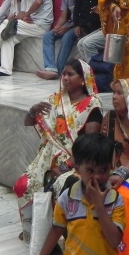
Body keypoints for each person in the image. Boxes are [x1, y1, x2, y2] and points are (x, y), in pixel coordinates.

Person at [14, 59, 102, 244]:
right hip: (48, 158)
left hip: (77, 161)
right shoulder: (56, 100)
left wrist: (66, 165)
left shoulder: (91, 104)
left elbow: (90, 143)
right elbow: (28, 122)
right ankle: (34, 231)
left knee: (59, 186)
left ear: (83, 78)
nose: (65, 78)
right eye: (64, 74)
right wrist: (32, 110)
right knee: (23, 185)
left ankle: (58, 243)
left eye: (71, 74)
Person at [34, 133, 126, 255]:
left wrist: (99, 206)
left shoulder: (116, 200)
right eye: (90, 171)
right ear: (77, 169)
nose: (98, 176)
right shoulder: (67, 197)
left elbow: (114, 241)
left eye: (103, 170)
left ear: (111, 167)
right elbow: (56, 229)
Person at [39, 0, 80, 80]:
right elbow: (63, 16)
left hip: (79, 25)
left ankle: (59, 70)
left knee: (67, 37)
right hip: (70, 23)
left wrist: (67, 28)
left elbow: (82, 17)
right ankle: (51, 68)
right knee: (48, 35)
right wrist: (58, 27)